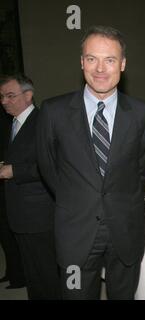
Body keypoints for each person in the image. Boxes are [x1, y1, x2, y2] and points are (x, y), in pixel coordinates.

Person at [36, 26, 145, 299]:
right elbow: (48, 167)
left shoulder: (142, 114)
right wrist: (78, 196)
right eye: (92, 58)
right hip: (75, 231)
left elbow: (142, 169)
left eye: (110, 60)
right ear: (81, 62)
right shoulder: (53, 112)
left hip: (125, 229)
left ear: (123, 64)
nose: (100, 68)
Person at [0, 74, 60, 298]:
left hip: (40, 215)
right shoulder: (13, 123)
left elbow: (55, 164)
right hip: (20, 214)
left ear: (28, 95)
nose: (4, 101)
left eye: (10, 95)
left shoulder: (43, 121)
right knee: (33, 274)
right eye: (2, 96)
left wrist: (14, 170)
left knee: (47, 274)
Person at [0, 90, 26, 290]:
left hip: (10, 181)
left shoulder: (10, 119)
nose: (5, 101)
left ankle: (18, 275)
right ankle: (12, 272)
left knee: (11, 232)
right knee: (5, 233)